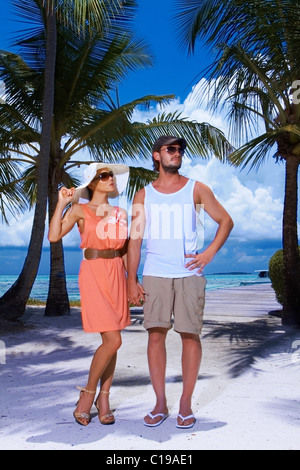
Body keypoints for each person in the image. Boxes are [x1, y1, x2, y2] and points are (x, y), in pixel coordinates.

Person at [127, 136, 233, 429]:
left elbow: (225, 221)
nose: (177, 154)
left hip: (189, 275)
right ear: (156, 156)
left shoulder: (197, 189)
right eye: (170, 149)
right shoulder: (143, 195)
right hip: (155, 274)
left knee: (190, 336)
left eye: (179, 150)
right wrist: (131, 279)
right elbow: (134, 240)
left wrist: (209, 253)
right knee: (155, 336)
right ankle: (160, 403)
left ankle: (185, 404)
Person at [48, 162, 130, 427]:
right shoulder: (80, 210)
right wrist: (62, 203)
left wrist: (133, 281)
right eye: (104, 175)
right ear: (92, 183)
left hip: (117, 272)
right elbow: (53, 235)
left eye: (112, 176)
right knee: (114, 340)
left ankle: (103, 399)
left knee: (112, 340)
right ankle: (89, 394)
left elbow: (126, 250)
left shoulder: (121, 213)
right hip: (93, 273)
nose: (110, 179)